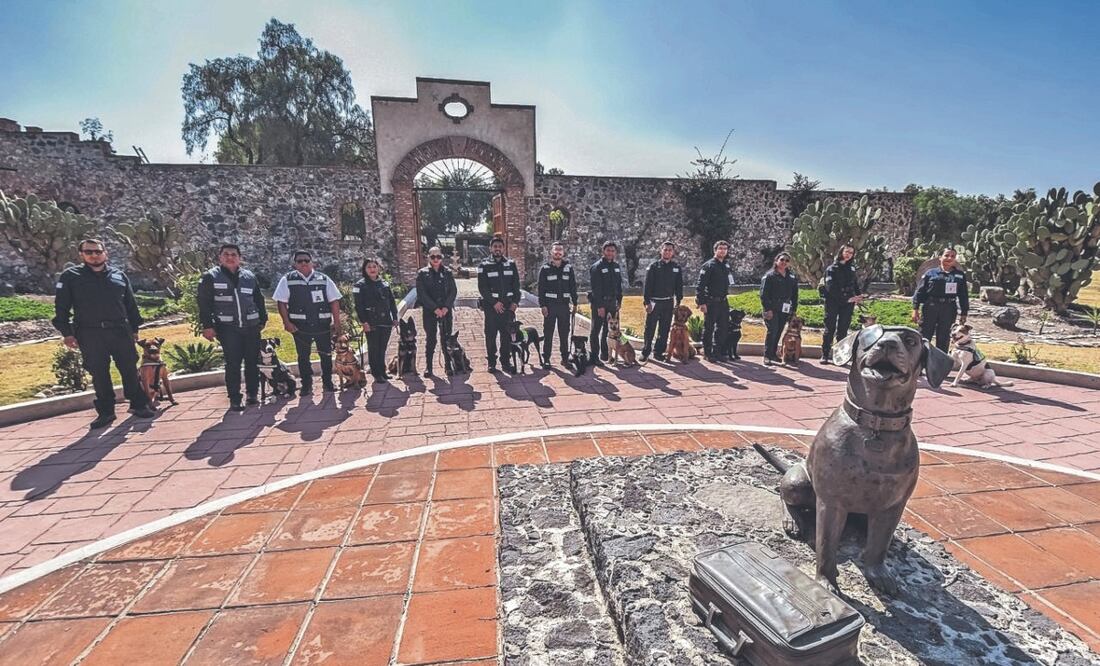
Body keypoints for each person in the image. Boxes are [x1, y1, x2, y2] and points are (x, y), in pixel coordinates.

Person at [52, 239, 157, 429]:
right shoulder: (71, 277)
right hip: (90, 332)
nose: (94, 255)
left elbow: (130, 305)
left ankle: (138, 404)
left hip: (120, 330)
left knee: (129, 368)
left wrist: (134, 329)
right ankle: (106, 412)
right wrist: (67, 333)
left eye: (97, 251)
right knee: (99, 372)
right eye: (89, 252)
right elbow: (62, 308)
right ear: (81, 254)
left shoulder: (118, 276)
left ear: (105, 253)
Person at [198, 244, 268, 411]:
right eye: (226, 254)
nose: (230, 257)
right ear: (220, 257)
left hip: (251, 326)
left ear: (239, 257)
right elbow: (204, 303)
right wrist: (207, 326)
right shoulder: (211, 277)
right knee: (233, 363)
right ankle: (235, 398)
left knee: (252, 362)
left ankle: (252, 394)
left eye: (234, 254)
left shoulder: (249, 277)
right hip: (228, 328)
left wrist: (263, 319)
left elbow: (258, 299)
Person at [272, 250, 342, 393]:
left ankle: (328, 382)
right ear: (295, 264)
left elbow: (334, 301)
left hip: (322, 325)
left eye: (306, 260)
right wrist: (287, 323)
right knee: (303, 356)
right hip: (300, 327)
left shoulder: (323, 279)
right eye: (300, 261)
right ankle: (306, 384)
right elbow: (281, 303)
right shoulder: (288, 279)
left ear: (312, 262)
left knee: (326, 355)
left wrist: (337, 322)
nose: (303, 263)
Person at [477, 235, 521, 373]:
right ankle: (491, 362)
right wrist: (494, 303)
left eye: (500, 247)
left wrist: (515, 302)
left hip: (508, 307)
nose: (497, 249)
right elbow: (482, 288)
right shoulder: (484, 265)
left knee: (506, 336)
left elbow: (516, 286)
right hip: (491, 308)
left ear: (503, 248)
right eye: (495, 246)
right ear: (490, 248)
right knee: (490, 335)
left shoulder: (511, 264)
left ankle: (505, 362)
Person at [912, 247, 969, 352]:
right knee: (925, 335)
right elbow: (920, 291)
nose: (949, 258)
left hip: (949, 308)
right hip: (931, 307)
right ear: (940, 257)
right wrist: (915, 309)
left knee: (944, 336)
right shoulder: (931, 273)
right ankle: (921, 360)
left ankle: (940, 363)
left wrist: (964, 312)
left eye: (952, 256)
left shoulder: (959, 275)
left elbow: (963, 295)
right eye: (946, 255)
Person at [353, 258, 399, 383]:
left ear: (378, 268)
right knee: (374, 348)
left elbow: (391, 302)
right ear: (364, 269)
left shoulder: (384, 283)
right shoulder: (359, 286)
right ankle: (376, 373)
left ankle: (383, 371)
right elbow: (358, 306)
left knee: (382, 348)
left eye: (374, 266)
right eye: (369, 267)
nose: (372, 269)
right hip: (371, 322)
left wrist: (395, 317)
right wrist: (364, 322)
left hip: (385, 321)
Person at [415, 246, 458, 377]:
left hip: (445, 311)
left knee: (446, 338)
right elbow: (422, 294)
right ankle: (429, 367)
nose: (436, 259)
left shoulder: (447, 272)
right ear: (428, 257)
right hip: (430, 312)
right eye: (433, 256)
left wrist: (446, 307)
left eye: (438, 256)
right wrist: (434, 309)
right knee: (431, 339)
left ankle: (448, 364)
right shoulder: (422, 273)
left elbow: (453, 291)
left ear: (442, 258)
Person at [820, 244, 865, 364]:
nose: (848, 255)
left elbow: (854, 284)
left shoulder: (851, 269)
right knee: (830, 328)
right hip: (833, 302)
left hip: (848, 303)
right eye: (846, 252)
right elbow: (831, 288)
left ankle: (839, 355)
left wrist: (858, 296)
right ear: (841, 252)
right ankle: (825, 354)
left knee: (843, 329)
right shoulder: (832, 269)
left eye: (851, 253)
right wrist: (846, 299)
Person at [537, 242, 578, 369]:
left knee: (564, 333)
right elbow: (541, 289)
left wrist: (575, 303)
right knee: (548, 333)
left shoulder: (568, 268)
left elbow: (573, 287)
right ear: (551, 252)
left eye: (560, 250)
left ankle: (565, 359)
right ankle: (547, 359)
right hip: (550, 306)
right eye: (556, 250)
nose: (558, 252)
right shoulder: (545, 269)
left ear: (563, 253)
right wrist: (543, 305)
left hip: (564, 307)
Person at [642, 241, 684, 362]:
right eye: (665, 250)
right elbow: (647, 286)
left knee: (664, 329)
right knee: (650, 328)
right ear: (661, 251)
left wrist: (679, 300)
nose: (667, 252)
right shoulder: (653, 267)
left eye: (670, 250)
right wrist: (647, 302)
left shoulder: (676, 268)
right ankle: (645, 352)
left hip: (668, 302)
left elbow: (679, 285)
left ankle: (658, 352)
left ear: (673, 252)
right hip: (655, 302)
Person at [696, 240, 734, 362]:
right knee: (709, 328)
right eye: (720, 248)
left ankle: (718, 352)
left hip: (723, 301)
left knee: (722, 328)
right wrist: (701, 303)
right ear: (715, 250)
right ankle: (707, 353)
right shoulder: (709, 265)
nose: (723, 251)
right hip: (711, 301)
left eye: (725, 249)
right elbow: (700, 286)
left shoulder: (726, 265)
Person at [588, 241, 623, 367]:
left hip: (612, 302)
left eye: (613, 251)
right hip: (600, 302)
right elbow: (595, 288)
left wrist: (619, 300)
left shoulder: (616, 267)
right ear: (603, 251)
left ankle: (605, 354)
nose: (610, 253)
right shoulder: (596, 267)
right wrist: (600, 306)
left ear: (615, 253)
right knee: (595, 330)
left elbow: (618, 285)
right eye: (608, 250)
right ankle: (594, 356)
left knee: (607, 330)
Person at [760, 251, 799, 366]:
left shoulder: (791, 277)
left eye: (787, 261)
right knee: (772, 331)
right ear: (776, 261)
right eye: (782, 260)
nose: (784, 262)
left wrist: (794, 309)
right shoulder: (769, 276)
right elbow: (764, 295)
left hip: (785, 308)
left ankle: (773, 354)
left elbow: (795, 295)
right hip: (772, 308)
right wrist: (768, 309)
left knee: (779, 331)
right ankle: (767, 356)